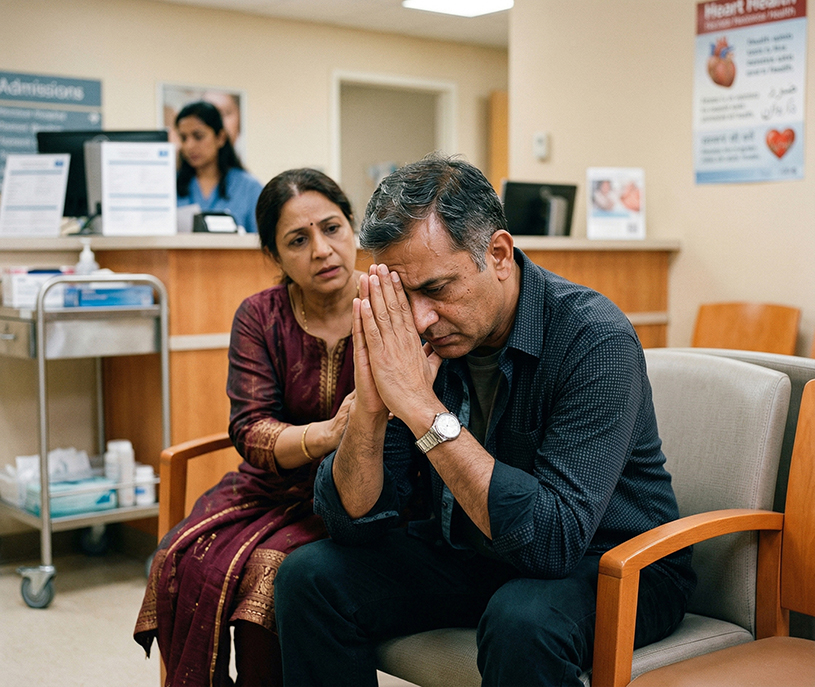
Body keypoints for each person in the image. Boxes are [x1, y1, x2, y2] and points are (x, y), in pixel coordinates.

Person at [274, 155, 697, 686]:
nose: (421, 318)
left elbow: (553, 542)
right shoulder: (424, 341)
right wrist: (374, 411)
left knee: (523, 622)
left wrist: (422, 408)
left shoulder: (594, 338)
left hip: (615, 563)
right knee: (309, 577)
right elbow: (353, 521)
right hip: (479, 555)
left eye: (437, 289)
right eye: (404, 296)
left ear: (498, 253)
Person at [134, 168, 361, 687]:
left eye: (332, 228)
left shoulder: (388, 304)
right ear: (274, 255)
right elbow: (251, 428)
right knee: (179, 557)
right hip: (268, 485)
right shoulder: (261, 315)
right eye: (297, 240)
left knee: (266, 576)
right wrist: (326, 435)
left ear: (352, 226)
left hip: (357, 494)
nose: (322, 251)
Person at [175, 100, 262, 233]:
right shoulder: (170, 186)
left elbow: (262, 240)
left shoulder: (249, 188)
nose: (189, 146)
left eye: (198, 137)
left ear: (220, 138)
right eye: (183, 138)